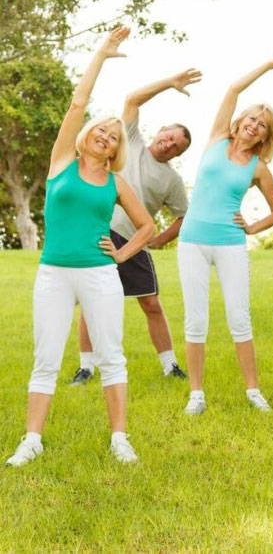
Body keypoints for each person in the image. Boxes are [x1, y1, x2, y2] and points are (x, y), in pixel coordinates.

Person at [6, 27, 154, 467]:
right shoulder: (61, 163)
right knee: (46, 357)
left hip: (99, 274)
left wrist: (123, 254)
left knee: (111, 355)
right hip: (53, 273)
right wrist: (102, 55)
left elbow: (146, 227)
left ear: (114, 152)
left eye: (114, 136)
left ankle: (119, 439)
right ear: (86, 135)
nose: (106, 134)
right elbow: (77, 102)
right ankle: (32, 440)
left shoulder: (116, 182)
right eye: (101, 129)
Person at [177, 50, 273, 415]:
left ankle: (253, 390)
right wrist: (269, 66)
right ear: (240, 120)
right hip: (193, 241)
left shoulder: (259, 168)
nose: (254, 125)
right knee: (196, 318)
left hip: (230, 243)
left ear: (265, 135)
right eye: (251, 118)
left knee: (238, 316)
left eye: (262, 124)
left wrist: (252, 227)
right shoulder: (216, 139)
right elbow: (232, 88)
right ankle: (196, 394)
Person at [70, 68, 202, 385]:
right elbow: (132, 99)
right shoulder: (131, 142)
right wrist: (169, 82)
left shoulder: (171, 180)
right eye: (169, 137)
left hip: (134, 242)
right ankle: (86, 367)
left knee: (151, 303)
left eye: (177, 147)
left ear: (179, 154)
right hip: (101, 234)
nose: (169, 145)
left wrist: (158, 241)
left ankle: (170, 366)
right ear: (159, 132)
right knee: (91, 301)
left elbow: (183, 216)